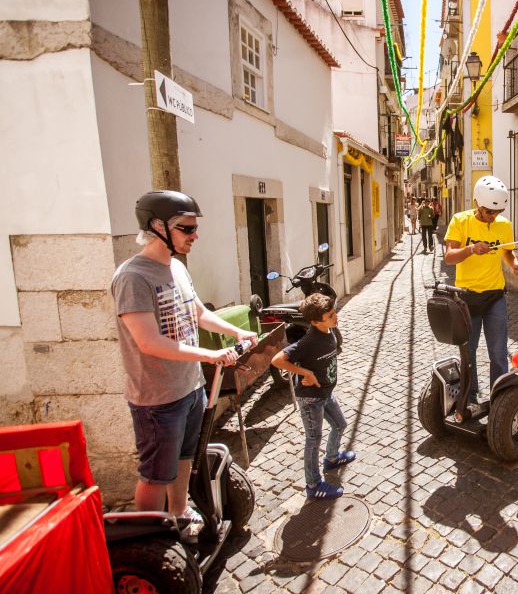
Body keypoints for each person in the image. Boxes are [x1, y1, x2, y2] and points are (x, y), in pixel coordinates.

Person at [112, 190, 258, 529]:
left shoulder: (176, 268)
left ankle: (179, 512)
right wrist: (210, 354)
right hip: (157, 397)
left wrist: (235, 333)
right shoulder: (133, 277)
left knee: (184, 459)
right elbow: (148, 342)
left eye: (194, 228)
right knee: (155, 475)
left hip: (190, 386)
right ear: (156, 226)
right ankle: (149, 539)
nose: (195, 235)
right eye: (186, 228)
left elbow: (198, 314)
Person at [444, 176, 518, 405]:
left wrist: (515, 264)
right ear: (478, 203)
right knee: (468, 354)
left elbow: (507, 252)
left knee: (498, 353)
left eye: (497, 212)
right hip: (466, 298)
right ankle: (470, 398)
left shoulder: (504, 225)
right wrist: (471, 249)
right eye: (489, 211)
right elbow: (449, 257)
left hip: (495, 297)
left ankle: (500, 400)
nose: (493, 217)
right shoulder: (460, 221)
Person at [271, 293, 355, 499]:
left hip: (326, 393)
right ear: (315, 322)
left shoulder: (329, 331)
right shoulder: (309, 340)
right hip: (311, 398)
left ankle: (332, 458)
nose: (335, 318)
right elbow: (277, 360)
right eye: (330, 316)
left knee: (340, 424)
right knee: (313, 439)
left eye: (334, 313)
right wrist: (305, 373)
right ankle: (313, 485)